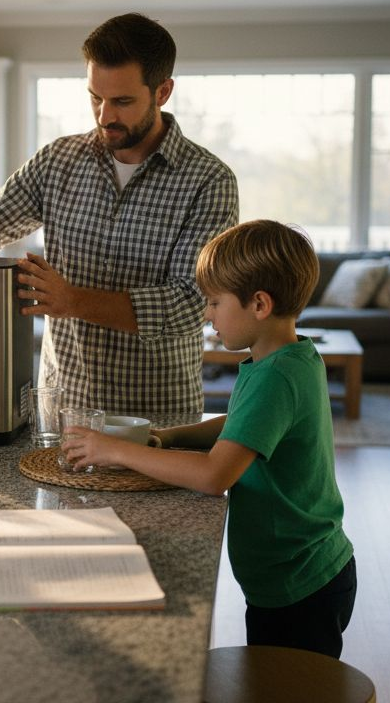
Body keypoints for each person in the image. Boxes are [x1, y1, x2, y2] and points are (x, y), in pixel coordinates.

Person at [0, 13, 238, 415]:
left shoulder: (210, 180)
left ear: (163, 91)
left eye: (123, 101)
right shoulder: (60, 159)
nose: (104, 116)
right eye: (95, 97)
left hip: (156, 419)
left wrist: (72, 301)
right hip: (63, 413)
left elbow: (189, 305)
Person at [62, 219, 356, 659]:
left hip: (298, 588)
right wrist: (166, 438)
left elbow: (214, 475)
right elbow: (239, 424)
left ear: (258, 304)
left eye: (215, 302)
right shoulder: (291, 357)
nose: (206, 314)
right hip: (306, 571)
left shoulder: (276, 377)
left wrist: (115, 448)